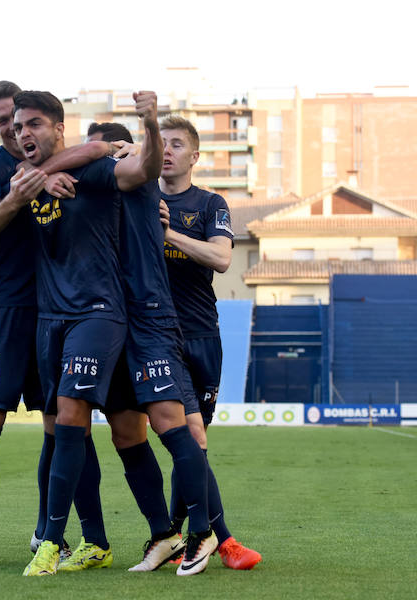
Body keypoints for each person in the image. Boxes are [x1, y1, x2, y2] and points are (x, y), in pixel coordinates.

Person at [17, 90, 215, 577]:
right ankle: (163, 534)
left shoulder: (129, 171)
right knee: (126, 431)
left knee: (179, 426)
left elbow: (141, 163)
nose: (94, 157)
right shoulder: (84, 182)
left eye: (106, 149)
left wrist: (146, 129)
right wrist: (50, 172)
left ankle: (208, 532)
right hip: (112, 319)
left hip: (150, 315)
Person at [0, 81, 99, 568]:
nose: (11, 129)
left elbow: (99, 157)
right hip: (6, 307)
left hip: (58, 308)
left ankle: (45, 531)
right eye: (2, 122)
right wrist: (21, 194)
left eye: (16, 120)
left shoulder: (63, 161)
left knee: (57, 421)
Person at [158, 116, 261, 570]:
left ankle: (172, 534)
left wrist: (168, 234)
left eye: (177, 144)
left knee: (192, 448)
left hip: (204, 334)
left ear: (195, 156)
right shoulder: (139, 199)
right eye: (161, 143)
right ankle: (223, 540)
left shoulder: (210, 204)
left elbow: (221, 257)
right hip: (160, 337)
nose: (166, 150)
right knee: (191, 436)